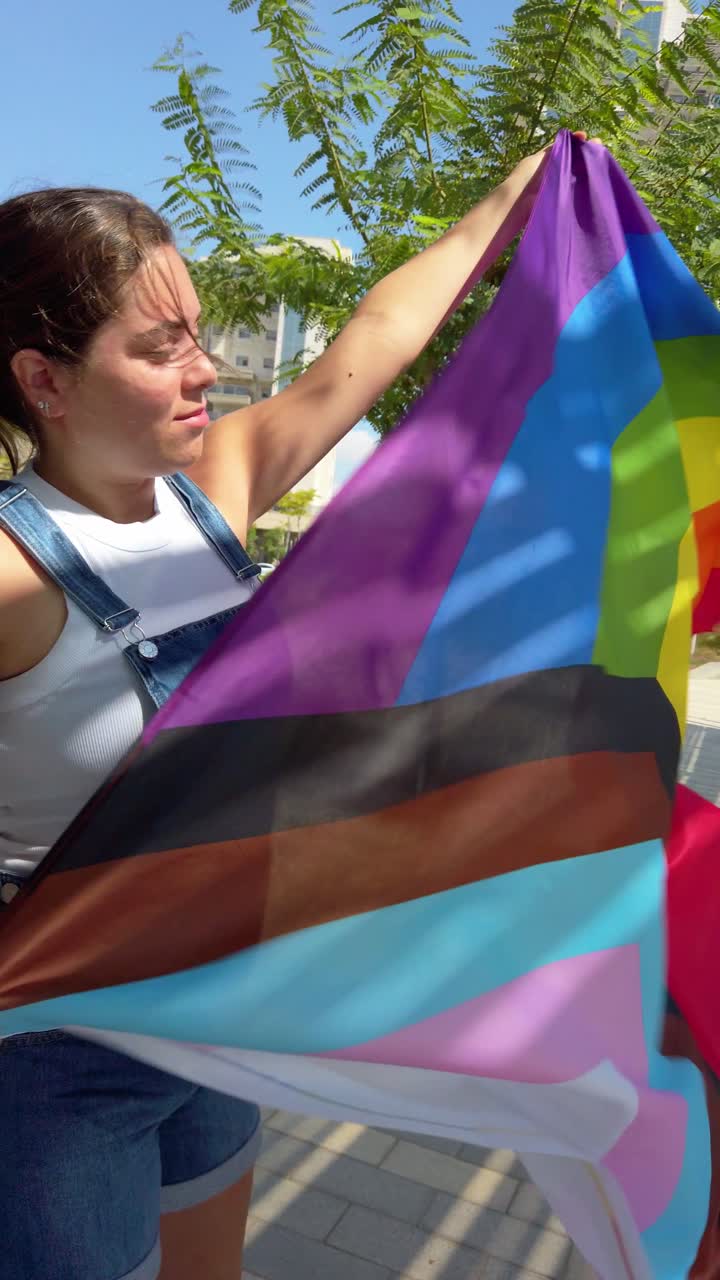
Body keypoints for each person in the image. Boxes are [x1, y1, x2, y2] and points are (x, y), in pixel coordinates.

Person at [0, 132, 593, 1280]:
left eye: (201, 334)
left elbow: (367, 340)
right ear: (44, 380)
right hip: (59, 1058)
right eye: (161, 346)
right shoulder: (14, 572)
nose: (205, 368)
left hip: (219, 1008)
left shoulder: (214, 485)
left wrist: (517, 197)